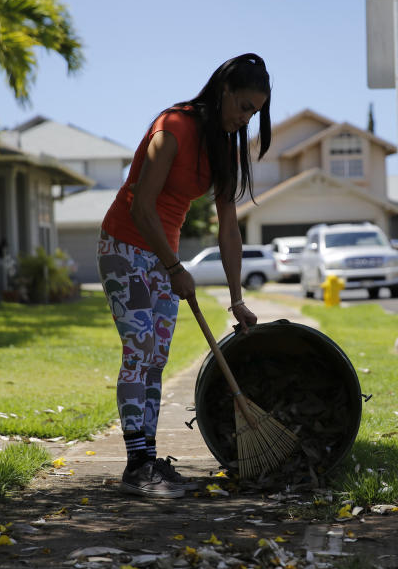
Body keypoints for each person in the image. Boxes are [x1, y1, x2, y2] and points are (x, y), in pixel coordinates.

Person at [96, 53, 271, 498]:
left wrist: (237, 299)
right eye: (245, 106)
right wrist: (174, 268)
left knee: (156, 358)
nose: (247, 118)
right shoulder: (173, 127)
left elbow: (228, 226)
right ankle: (137, 467)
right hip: (125, 246)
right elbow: (140, 205)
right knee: (140, 351)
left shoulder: (224, 146)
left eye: (256, 112)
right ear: (225, 91)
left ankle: (147, 460)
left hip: (161, 254)